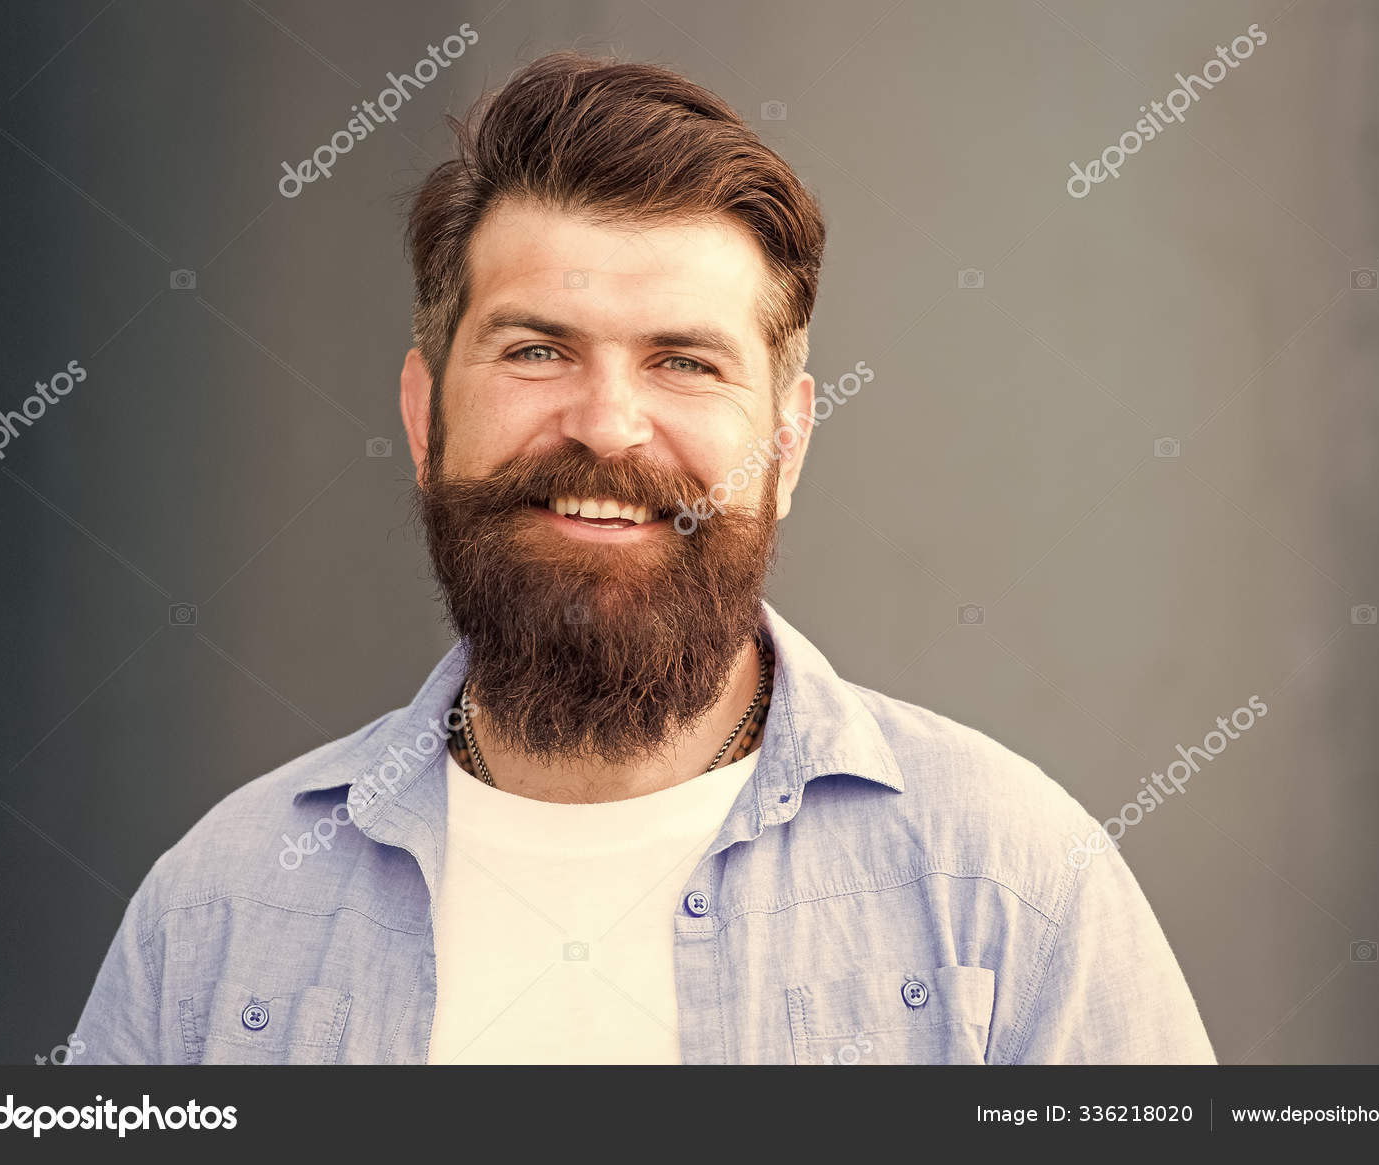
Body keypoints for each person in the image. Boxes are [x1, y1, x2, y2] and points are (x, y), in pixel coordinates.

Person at [72, 51, 1213, 1065]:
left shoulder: (1011, 887)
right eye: (534, 350)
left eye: (684, 363)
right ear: (423, 418)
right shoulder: (216, 908)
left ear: (786, 443)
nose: (606, 424)